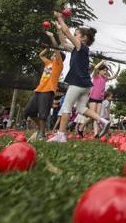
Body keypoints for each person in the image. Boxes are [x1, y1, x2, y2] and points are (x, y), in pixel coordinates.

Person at [48, 12, 103, 143]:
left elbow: (67, 33)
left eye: (76, 34)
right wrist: (58, 29)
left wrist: (60, 18)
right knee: (81, 108)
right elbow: (63, 42)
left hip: (77, 83)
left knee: (66, 107)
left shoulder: (81, 46)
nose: (73, 36)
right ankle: (103, 121)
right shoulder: (78, 48)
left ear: (83, 38)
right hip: (85, 86)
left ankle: (61, 135)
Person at [26, 30, 65, 141]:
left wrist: (52, 38)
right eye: (52, 55)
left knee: (43, 114)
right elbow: (41, 55)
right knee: (28, 111)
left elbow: (57, 50)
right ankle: (41, 128)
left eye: (54, 55)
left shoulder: (59, 65)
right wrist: (47, 48)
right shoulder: (49, 63)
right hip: (39, 90)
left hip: (48, 90)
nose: (53, 55)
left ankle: (42, 134)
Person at [87, 61, 120, 137]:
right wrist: (102, 61)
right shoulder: (96, 76)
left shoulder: (105, 78)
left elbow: (114, 77)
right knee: (93, 116)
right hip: (92, 98)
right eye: (104, 70)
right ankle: (81, 127)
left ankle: (96, 133)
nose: (105, 72)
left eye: (106, 70)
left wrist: (118, 70)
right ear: (99, 71)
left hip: (99, 99)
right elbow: (95, 67)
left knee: (97, 117)